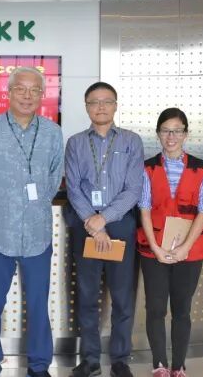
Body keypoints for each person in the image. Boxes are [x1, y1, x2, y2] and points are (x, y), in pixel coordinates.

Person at [0, 66, 64, 377]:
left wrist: (34, 207)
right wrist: (1, 208)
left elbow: (54, 177)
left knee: (38, 304)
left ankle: (39, 366)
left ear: (42, 95)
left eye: (34, 89)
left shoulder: (52, 133)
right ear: (9, 92)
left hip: (37, 234)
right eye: (20, 89)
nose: (27, 95)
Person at [64, 82, 144, 377]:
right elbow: (73, 188)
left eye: (106, 101)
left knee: (122, 296)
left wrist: (105, 218)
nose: (100, 107)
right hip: (86, 225)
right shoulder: (75, 143)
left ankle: (120, 360)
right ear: (86, 107)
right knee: (87, 296)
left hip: (120, 224)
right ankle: (90, 360)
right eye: (94, 102)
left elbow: (134, 188)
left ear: (115, 105)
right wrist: (93, 222)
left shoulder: (131, 141)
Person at [137, 108, 203, 377]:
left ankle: (178, 366)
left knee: (182, 309)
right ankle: (159, 364)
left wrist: (184, 248)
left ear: (186, 134)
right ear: (158, 134)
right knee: (155, 308)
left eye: (177, 131)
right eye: (166, 131)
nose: (171, 136)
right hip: (154, 249)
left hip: (190, 250)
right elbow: (144, 208)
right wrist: (155, 248)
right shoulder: (147, 168)